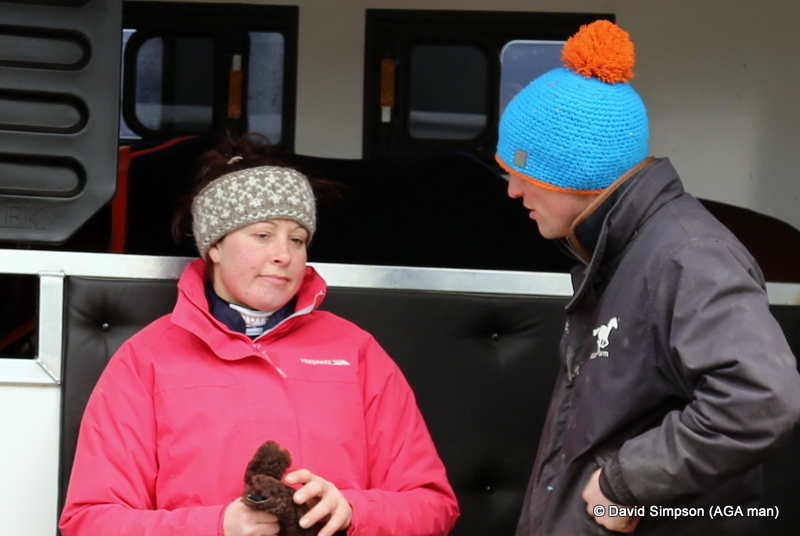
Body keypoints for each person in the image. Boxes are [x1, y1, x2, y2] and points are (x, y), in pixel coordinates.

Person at [59, 134, 460, 536]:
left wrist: (353, 511)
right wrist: (217, 527)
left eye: (297, 239)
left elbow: (433, 506)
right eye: (263, 235)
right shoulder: (146, 359)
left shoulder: (356, 351)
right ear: (215, 246)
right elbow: (90, 521)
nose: (284, 255)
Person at [495, 20, 800, 536]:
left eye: (523, 174)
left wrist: (627, 483)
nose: (512, 192)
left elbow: (761, 398)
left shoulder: (689, 257)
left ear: (575, 173)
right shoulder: (621, 252)